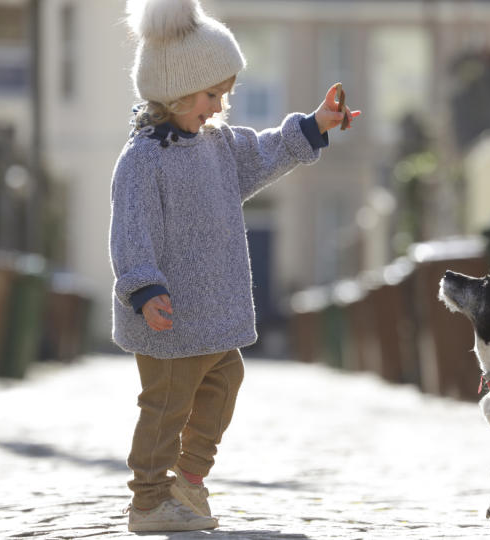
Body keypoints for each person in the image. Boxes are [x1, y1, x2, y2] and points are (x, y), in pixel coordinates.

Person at [111, 0, 359, 533]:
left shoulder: (219, 145)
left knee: (225, 382)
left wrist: (316, 125)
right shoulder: (142, 160)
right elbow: (130, 232)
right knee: (166, 406)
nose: (219, 104)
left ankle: (189, 480)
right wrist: (143, 287)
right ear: (176, 88)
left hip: (212, 319)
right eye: (210, 94)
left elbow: (268, 151)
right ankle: (149, 500)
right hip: (168, 317)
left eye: (224, 94)